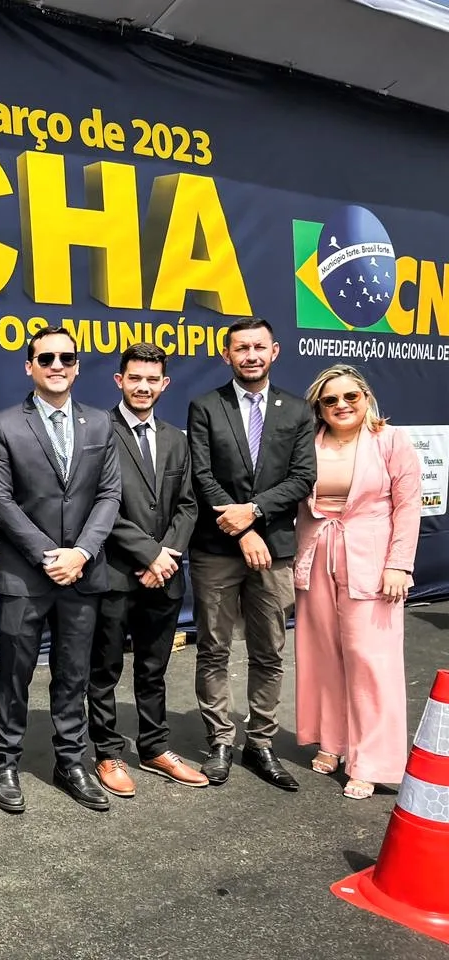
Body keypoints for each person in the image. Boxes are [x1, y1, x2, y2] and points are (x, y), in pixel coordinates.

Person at [0, 325, 121, 814]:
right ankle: (5, 762)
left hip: (83, 571)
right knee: (14, 672)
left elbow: (109, 495)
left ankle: (71, 762)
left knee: (73, 673)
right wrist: (49, 554)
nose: (57, 366)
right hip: (26, 573)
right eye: (46, 358)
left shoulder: (100, 423)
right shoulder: (4, 424)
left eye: (66, 358)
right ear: (30, 367)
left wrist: (80, 553)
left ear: (78, 367)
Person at [187, 317, 315, 791]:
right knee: (213, 648)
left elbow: (303, 478)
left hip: (274, 549)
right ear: (227, 355)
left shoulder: (297, 410)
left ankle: (260, 743)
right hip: (217, 549)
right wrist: (241, 531)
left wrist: (254, 512)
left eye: (259, 347)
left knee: (269, 651)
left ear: (274, 351)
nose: (251, 356)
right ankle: (220, 740)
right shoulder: (206, 406)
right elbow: (202, 475)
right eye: (241, 348)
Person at [294, 365, 420, 800]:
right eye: (330, 400)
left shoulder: (391, 440)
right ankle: (333, 741)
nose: (342, 405)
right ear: (319, 408)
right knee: (322, 655)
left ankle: (371, 760)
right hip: (317, 557)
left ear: (366, 397)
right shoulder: (308, 443)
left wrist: (399, 565)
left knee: (371, 661)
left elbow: (408, 506)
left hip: (373, 561)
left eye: (351, 396)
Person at [87, 343, 207, 799]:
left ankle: (155, 747)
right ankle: (107, 752)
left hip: (165, 576)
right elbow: (99, 505)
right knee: (105, 669)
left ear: (164, 384)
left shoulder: (176, 438)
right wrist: (149, 555)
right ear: (119, 380)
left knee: (154, 669)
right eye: (135, 377)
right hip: (116, 574)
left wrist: (166, 556)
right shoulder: (98, 431)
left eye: (152, 379)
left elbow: (188, 505)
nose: (143, 386)